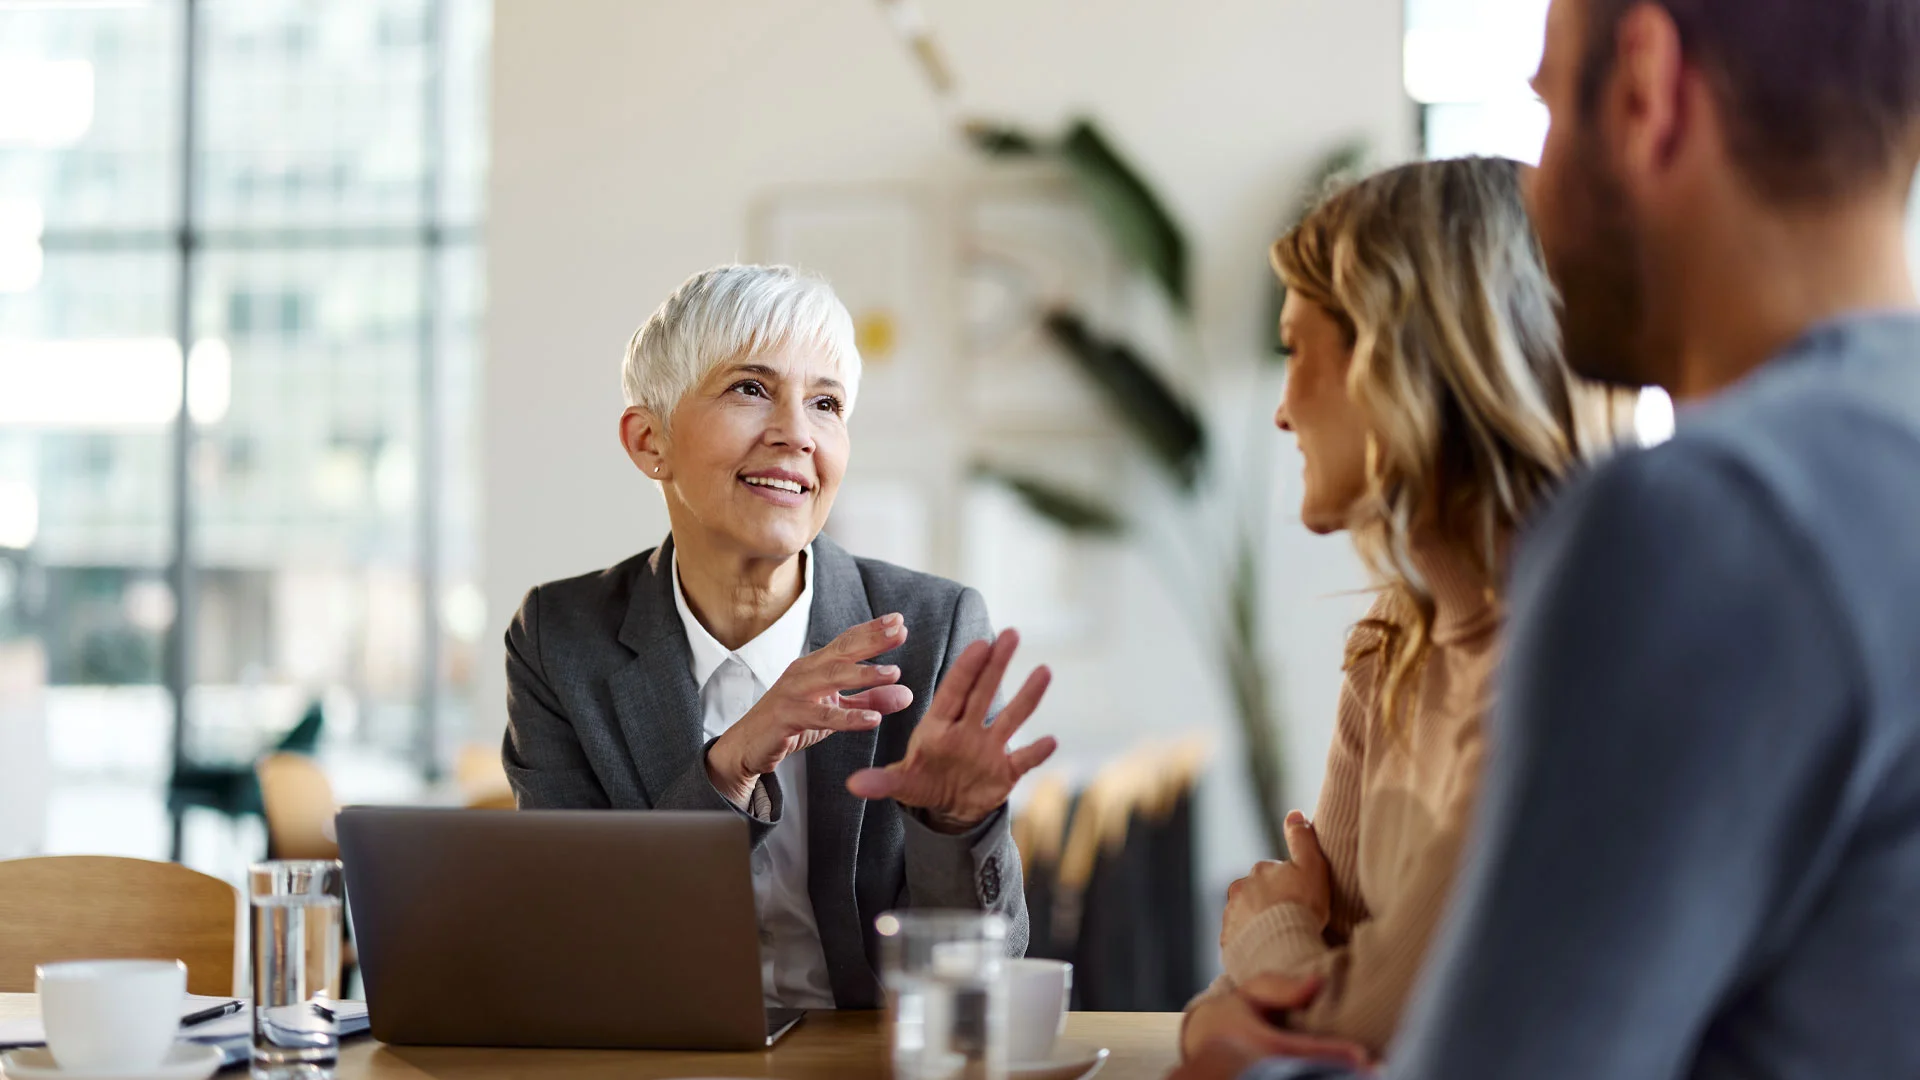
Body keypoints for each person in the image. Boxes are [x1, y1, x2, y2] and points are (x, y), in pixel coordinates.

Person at [1176, 0, 1920, 1076]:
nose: (1527, 190)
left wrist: (1229, 1048)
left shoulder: (1699, 526)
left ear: (1643, 90)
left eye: (1542, 108)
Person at [502, 264, 1058, 1011]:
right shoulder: (560, 638)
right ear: (648, 441)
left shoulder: (932, 630)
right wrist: (727, 769)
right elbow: (577, 939)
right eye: (750, 389)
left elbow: (974, 982)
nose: (797, 434)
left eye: (825, 403)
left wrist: (956, 826)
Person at [1181, 157, 1591, 1067]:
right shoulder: (1392, 647)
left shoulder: (1565, 665)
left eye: (1296, 351)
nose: (1283, 411)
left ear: (1396, 355)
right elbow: (1293, 994)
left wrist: (1263, 943)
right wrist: (1235, 1000)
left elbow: (1367, 1023)